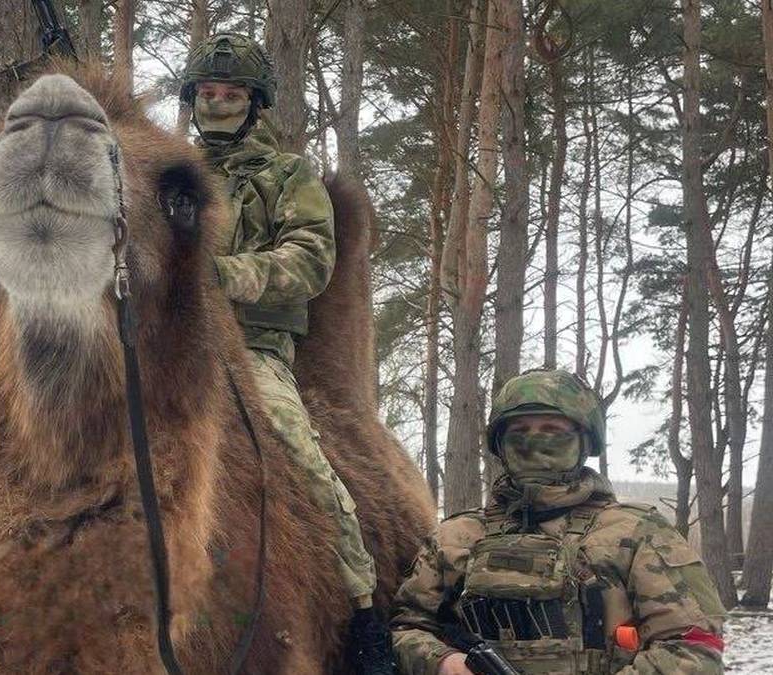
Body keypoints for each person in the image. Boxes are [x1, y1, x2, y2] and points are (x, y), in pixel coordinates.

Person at [180, 32, 389, 673]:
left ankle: (364, 613)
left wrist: (224, 276)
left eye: (232, 93)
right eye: (209, 93)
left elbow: (310, 258)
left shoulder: (286, 175)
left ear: (255, 102)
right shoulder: (167, 171)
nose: (218, 104)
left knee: (307, 463)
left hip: (253, 349)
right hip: (172, 343)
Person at [391, 368, 727, 674]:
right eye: (520, 430)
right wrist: (443, 662)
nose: (535, 440)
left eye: (552, 429)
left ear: (584, 440)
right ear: (500, 443)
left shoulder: (639, 533)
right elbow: (406, 626)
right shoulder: (456, 536)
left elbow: (696, 647)